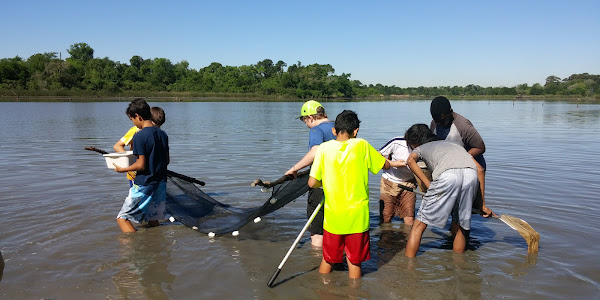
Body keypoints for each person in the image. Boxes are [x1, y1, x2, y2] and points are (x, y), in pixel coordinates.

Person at [308, 110, 405, 279]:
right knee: (354, 261)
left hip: (333, 217)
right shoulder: (362, 145)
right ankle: (354, 293)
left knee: (328, 259)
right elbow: (384, 165)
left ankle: (322, 290)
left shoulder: (323, 149)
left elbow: (312, 182)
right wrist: (392, 163)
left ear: (334, 130)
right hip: (358, 217)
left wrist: (324, 183)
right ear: (356, 131)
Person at [403, 124, 480, 257]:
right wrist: (482, 204)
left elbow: (410, 161)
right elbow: (480, 169)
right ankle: (459, 267)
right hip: (471, 175)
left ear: (414, 143)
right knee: (461, 225)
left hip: (447, 176)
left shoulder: (421, 148)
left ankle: (409, 267)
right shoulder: (455, 145)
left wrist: (428, 184)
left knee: (419, 225)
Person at [429, 96, 493, 217]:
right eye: (437, 120)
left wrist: (461, 157)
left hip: (471, 166)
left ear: (451, 112)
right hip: (451, 168)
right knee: (454, 208)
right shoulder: (434, 124)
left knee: (465, 210)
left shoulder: (463, 126)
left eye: (442, 120)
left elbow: (481, 148)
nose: (440, 124)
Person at [113, 99, 169, 233]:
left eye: (132, 119)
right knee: (152, 218)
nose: (133, 123)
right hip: (160, 183)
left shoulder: (139, 136)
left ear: (138, 116)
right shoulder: (163, 134)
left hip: (144, 183)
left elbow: (141, 165)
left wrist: (123, 169)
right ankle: (155, 242)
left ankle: (136, 250)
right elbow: (166, 161)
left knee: (123, 218)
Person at [285, 100, 335, 247]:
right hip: (342, 186)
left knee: (317, 230)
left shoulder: (316, 130)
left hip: (322, 185)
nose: (305, 124)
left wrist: (295, 168)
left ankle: (318, 260)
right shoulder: (340, 128)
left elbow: (315, 152)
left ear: (311, 118)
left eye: (304, 120)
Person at [113, 106, 166, 187]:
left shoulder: (159, 133)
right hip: (136, 174)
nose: (155, 129)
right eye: (154, 125)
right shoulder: (135, 131)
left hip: (152, 174)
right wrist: (131, 160)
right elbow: (117, 146)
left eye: (158, 127)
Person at [378, 137, 416, 225]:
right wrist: (393, 164)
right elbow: (377, 156)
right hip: (389, 182)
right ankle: (385, 236)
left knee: (409, 219)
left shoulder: (424, 146)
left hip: (409, 183)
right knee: (386, 217)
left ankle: (407, 237)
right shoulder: (397, 142)